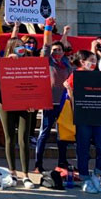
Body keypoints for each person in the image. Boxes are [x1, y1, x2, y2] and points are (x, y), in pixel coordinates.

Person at [65, 50, 101, 194]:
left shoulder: (99, 75)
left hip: (99, 116)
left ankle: (97, 174)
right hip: (83, 117)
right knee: (83, 149)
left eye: (94, 60)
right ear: (82, 61)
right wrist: (69, 91)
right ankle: (85, 177)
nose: (93, 63)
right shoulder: (75, 75)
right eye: (90, 60)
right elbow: (70, 99)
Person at [0, 36, 38, 188]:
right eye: (17, 45)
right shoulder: (3, 62)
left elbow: (35, 83)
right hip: (6, 104)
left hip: (24, 104)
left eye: (23, 45)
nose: (22, 47)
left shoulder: (30, 62)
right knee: (9, 138)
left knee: (23, 139)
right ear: (10, 48)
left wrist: (34, 103)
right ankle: (12, 172)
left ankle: (26, 175)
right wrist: (8, 62)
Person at [34, 18, 72, 173]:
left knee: (62, 135)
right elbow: (46, 45)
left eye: (59, 50)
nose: (56, 52)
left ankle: (62, 162)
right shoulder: (47, 61)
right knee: (44, 133)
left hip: (64, 104)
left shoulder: (67, 65)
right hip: (49, 102)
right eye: (54, 50)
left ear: (64, 53)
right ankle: (38, 164)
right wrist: (48, 28)